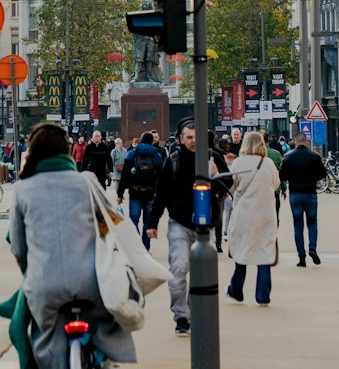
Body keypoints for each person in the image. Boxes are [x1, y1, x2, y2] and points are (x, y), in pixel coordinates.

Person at [4, 122, 137, 369]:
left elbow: (19, 247)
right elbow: (110, 223)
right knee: (106, 323)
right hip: (90, 281)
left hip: (46, 284)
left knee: (48, 327)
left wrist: (31, 273)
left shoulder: (23, 189)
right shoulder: (87, 181)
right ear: (67, 151)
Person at [147, 119, 217, 335]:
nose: (194, 141)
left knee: (200, 275)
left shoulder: (211, 157)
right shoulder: (174, 160)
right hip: (179, 223)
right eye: (189, 137)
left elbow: (228, 185)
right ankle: (181, 316)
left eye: (197, 137)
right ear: (180, 139)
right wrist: (152, 222)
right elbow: (162, 194)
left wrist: (217, 174)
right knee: (179, 269)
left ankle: (194, 313)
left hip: (205, 227)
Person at [226, 131, 280, 305]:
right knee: (264, 254)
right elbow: (276, 184)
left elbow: (231, 187)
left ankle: (236, 289)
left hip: (244, 213)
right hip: (265, 214)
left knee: (241, 251)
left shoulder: (239, 163)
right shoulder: (269, 163)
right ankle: (263, 296)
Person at [279, 131, 326, 266]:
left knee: (298, 225)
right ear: (306, 141)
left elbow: (282, 175)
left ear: (294, 142)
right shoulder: (314, 156)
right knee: (312, 222)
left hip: (295, 193)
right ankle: (312, 247)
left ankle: (301, 257)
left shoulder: (288, 157)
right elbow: (322, 174)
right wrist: (312, 178)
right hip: (310, 193)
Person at [117, 131, 164, 250]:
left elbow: (125, 175)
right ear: (152, 141)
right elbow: (160, 177)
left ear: (141, 140)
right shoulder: (156, 155)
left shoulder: (132, 154)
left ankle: (136, 244)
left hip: (135, 192)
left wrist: (120, 193)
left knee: (133, 220)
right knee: (148, 221)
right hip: (150, 193)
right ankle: (145, 248)